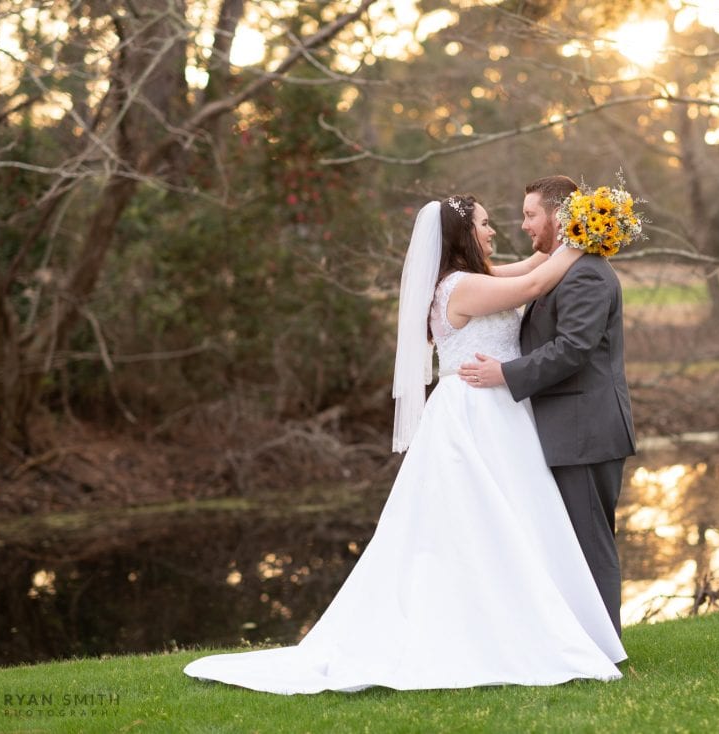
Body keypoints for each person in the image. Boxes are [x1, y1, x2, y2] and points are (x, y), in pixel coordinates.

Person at [183, 195, 626, 695]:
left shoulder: (474, 277)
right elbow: (532, 283)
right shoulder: (460, 286)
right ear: (462, 235)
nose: (494, 231)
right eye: (484, 224)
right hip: (476, 414)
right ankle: (502, 634)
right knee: (483, 526)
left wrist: (590, 230)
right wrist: (584, 238)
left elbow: (531, 264)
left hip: (500, 414)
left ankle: (542, 624)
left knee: (516, 523)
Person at [459, 176, 636, 636]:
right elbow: (520, 275)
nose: (523, 225)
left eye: (530, 215)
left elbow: (574, 348)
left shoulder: (588, 274)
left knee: (590, 544)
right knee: (568, 545)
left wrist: (506, 374)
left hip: (586, 431)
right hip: (565, 430)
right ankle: (573, 642)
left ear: (558, 216)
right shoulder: (564, 267)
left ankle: (605, 648)